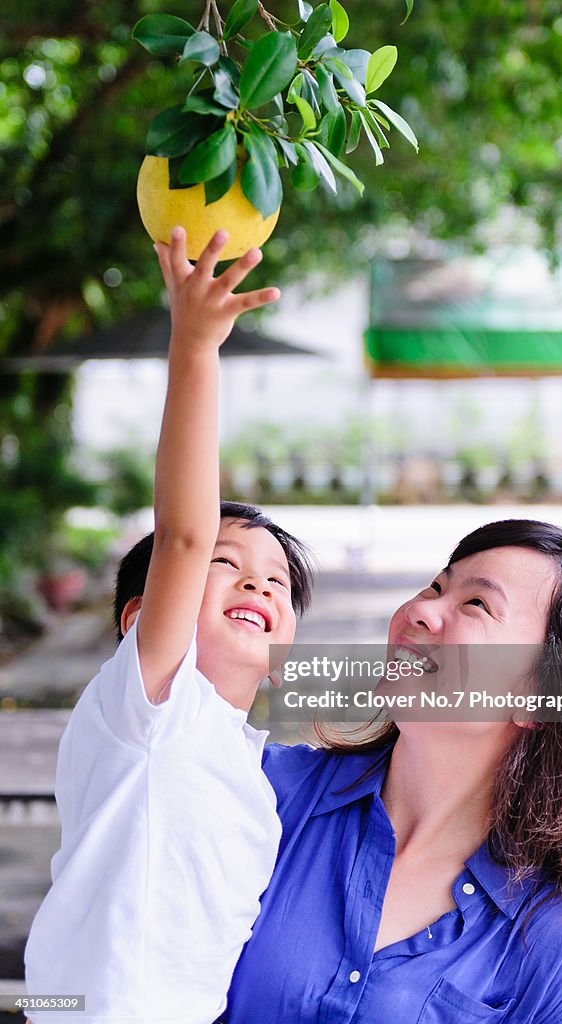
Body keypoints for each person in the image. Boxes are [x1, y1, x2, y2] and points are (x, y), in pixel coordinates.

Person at [24, 227, 314, 1024]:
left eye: (278, 582)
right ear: (140, 616)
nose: (258, 579)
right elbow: (182, 531)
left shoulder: (248, 760)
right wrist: (194, 348)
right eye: (229, 564)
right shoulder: (153, 706)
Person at [222, 519, 562, 1024]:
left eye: (476, 604)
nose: (421, 611)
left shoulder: (549, 955)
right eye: (435, 586)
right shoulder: (265, 792)